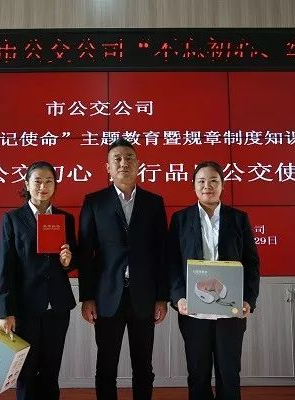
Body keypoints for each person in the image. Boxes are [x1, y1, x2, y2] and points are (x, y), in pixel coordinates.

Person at [78, 138, 169, 400]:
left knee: (144, 366)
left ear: (138, 164)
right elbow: (85, 253)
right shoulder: (94, 202)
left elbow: (162, 253)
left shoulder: (153, 202)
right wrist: (87, 297)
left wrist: (162, 297)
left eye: (129, 158)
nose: (123, 163)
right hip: (107, 297)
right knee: (106, 366)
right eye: (116, 158)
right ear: (107, 167)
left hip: (144, 296)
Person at [168, 161, 260, 400]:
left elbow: (251, 264)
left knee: (229, 373)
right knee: (198, 374)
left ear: (222, 185)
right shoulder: (180, 219)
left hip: (230, 309)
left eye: (213, 181)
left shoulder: (238, 219)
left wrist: (248, 299)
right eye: (201, 181)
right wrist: (178, 297)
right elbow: (172, 263)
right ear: (193, 186)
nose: (207, 186)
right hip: (194, 311)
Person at [0, 161, 77, 400]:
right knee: (26, 372)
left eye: (49, 181)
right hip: (26, 308)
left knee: (51, 371)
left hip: (58, 307)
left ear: (55, 185)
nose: (43, 186)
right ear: (27, 184)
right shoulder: (12, 219)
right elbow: (5, 268)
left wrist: (68, 261)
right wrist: (6, 312)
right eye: (38, 181)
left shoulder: (65, 218)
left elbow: (72, 259)